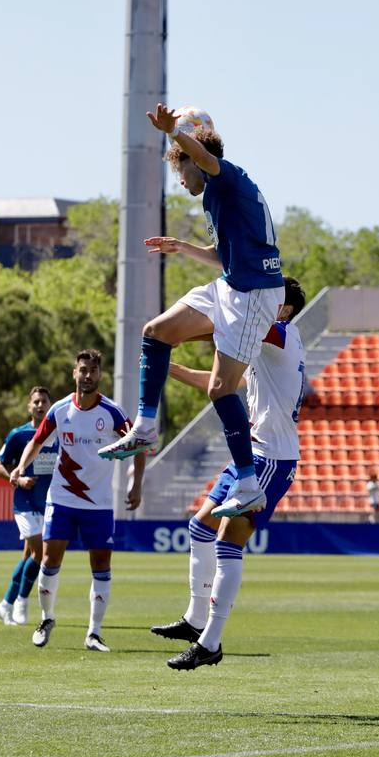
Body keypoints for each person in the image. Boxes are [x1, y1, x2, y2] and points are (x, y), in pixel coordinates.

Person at [98, 105, 284, 523]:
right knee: (156, 331)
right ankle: (146, 426)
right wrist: (183, 248)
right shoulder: (217, 196)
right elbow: (224, 256)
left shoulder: (226, 175)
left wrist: (173, 135)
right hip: (234, 285)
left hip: (255, 294)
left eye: (179, 170)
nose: (180, 181)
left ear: (191, 155)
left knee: (220, 390)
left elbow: (204, 160)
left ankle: (250, 485)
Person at [150, 278, 307, 670]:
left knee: (226, 542)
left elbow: (230, 323)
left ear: (284, 309)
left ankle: (211, 642)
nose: (263, 301)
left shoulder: (283, 333)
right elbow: (226, 381)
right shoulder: (267, 348)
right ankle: (195, 618)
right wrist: (173, 367)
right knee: (200, 526)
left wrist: (174, 331)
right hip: (252, 456)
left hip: (273, 459)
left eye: (272, 297)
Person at [12, 349, 145, 652]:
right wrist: (20, 466)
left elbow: (138, 447)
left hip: (99, 503)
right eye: (83, 370)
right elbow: (36, 442)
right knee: (49, 559)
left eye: (93, 371)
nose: (88, 376)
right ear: (74, 373)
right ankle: (46, 619)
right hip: (61, 500)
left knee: (100, 564)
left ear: (100, 375)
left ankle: (93, 633)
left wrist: (136, 485)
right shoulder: (59, 410)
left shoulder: (111, 412)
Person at [0, 386, 59, 627]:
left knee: (31, 556)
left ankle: (5, 604)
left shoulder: (59, 434)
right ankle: (21, 601)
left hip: (49, 505)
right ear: (29, 407)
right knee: (40, 554)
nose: (40, 405)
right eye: (36, 402)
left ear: (51, 406)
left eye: (44, 401)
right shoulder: (18, 435)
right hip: (24, 504)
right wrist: (18, 479)